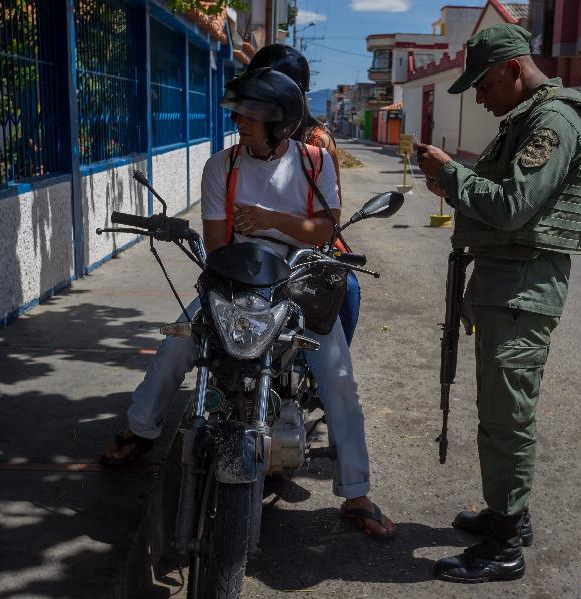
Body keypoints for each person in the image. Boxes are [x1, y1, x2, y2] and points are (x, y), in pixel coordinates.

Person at [101, 67, 396, 539]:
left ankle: (356, 491)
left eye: (251, 117)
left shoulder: (315, 162)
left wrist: (267, 220)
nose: (240, 123)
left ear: (280, 123)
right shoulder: (223, 166)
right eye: (238, 115)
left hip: (299, 277)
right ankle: (141, 428)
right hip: (234, 278)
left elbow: (324, 230)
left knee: (338, 378)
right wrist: (255, 243)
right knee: (177, 345)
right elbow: (218, 243)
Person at [416, 24, 581, 583]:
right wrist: (453, 181)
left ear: (515, 69)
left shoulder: (554, 120)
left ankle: (504, 547)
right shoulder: (525, 120)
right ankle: (509, 515)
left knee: (507, 416)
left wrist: (452, 177)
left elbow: (514, 205)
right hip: (509, 285)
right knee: (500, 411)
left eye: (483, 83)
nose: (478, 95)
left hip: (524, 289)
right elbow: (500, 197)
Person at [247, 44, 361, 346]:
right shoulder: (252, 132)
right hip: (257, 242)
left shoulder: (316, 142)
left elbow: (327, 215)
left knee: (347, 287)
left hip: (306, 242)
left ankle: (333, 368)